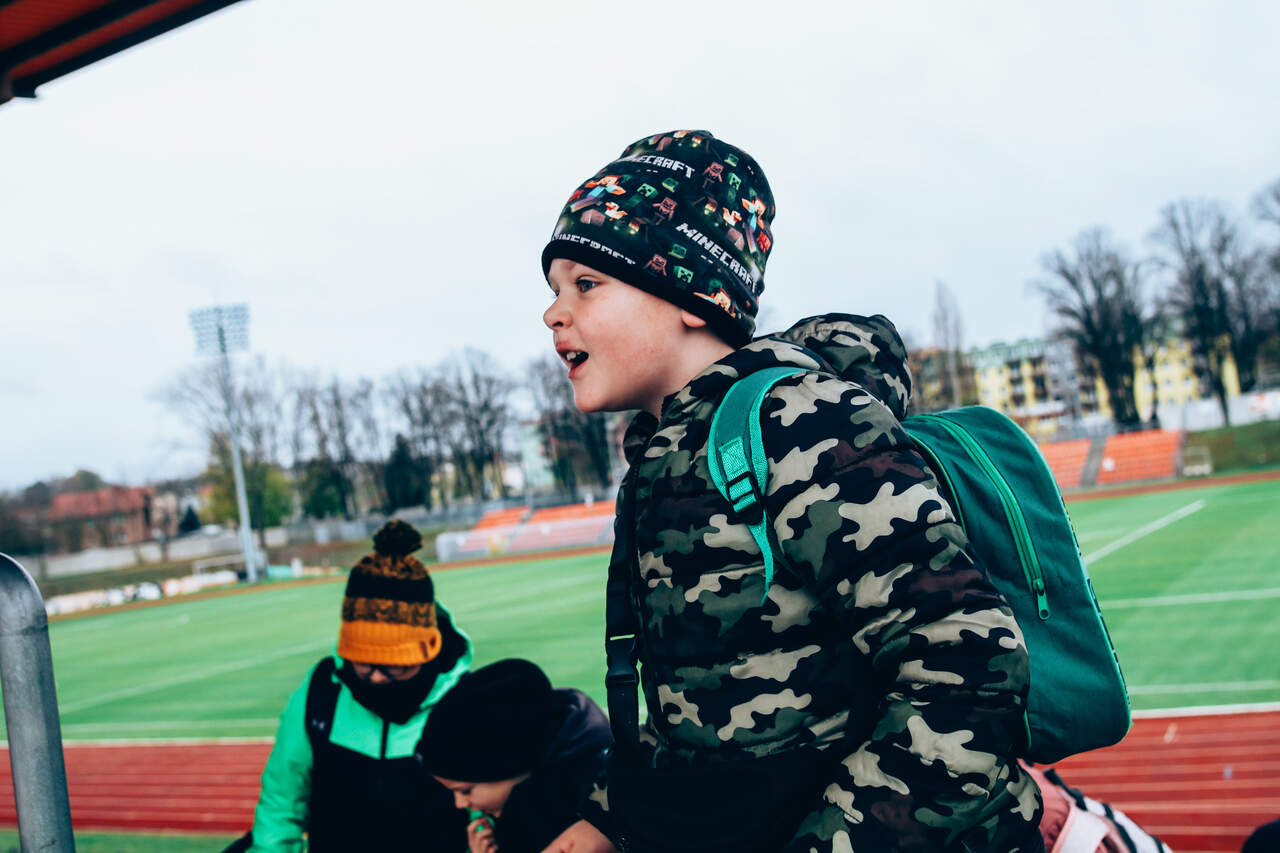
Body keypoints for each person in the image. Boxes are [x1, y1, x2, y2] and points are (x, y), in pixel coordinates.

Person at [536, 130, 1043, 853]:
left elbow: (968, 669)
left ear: (691, 298)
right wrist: (606, 819)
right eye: (554, 290)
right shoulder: (662, 455)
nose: (554, 313)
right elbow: (704, 702)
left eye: (586, 284)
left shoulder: (801, 426)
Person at [239, 519, 472, 853]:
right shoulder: (320, 694)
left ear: (428, 649)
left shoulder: (466, 701)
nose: (376, 677)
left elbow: (490, 814)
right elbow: (280, 808)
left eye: (393, 664)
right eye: (362, 661)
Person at [416, 658, 611, 853]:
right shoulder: (532, 804)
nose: (460, 804)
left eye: (465, 791)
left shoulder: (596, 822)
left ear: (510, 766)